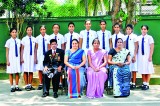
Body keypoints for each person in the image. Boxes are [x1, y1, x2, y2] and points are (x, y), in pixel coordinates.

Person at [137, 25, 154, 90]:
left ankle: (147, 83)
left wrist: (150, 56)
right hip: (141, 56)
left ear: (147, 30)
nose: (143, 30)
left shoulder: (149, 37)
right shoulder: (138, 38)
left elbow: (152, 47)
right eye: (142, 29)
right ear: (141, 30)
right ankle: (144, 82)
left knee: (148, 69)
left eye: (145, 29)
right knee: (142, 69)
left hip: (147, 56)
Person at [5, 28, 22, 92]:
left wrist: (20, 59)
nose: (14, 33)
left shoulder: (19, 41)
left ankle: (17, 86)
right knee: (11, 73)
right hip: (11, 59)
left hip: (17, 59)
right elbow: (7, 52)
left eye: (15, 32)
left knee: (17, 72)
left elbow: (20, 50)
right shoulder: (8, 41)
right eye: (13, 32)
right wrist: (7, 60)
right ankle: (12, 86)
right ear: (10, 33)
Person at [21, 26, 36, 91]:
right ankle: (26, 84)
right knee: (26, 70)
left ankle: (30, 84)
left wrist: (35, 58)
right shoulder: (24, 39)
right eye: (28, 30)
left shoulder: (34, 39)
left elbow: (35, 49)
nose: (29, 31)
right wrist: (21, 57)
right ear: (26, 31)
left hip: (32, 57)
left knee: (31, 70)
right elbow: (22, 49)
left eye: (30, 30)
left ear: (32, 31)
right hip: (25, 57)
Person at [124, 24, 138, 90]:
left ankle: (134, 83)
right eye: (127, 29)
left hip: (132, 55)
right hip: (127, 55)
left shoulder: (134, 36)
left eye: (129, 29)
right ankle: (128, 82)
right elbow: (123, 47)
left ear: (132, 30)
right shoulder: (125, 37)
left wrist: (134, 55)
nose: (128, 30)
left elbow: (136, 46)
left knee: (134, 69)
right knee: (128, 69)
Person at [35, 25, 50, 90]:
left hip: (46, 56)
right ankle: (41, 83)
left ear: (45, 30)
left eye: (44, 29)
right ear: (40, 30)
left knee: (46, 69)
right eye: (41, 29)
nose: (43, 30)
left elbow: (49, 48)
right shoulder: (37, 38)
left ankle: (46, 83)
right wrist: (35, 57)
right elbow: (36, 48)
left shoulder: (48, 37)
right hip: (40, 55)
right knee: (40, 69)